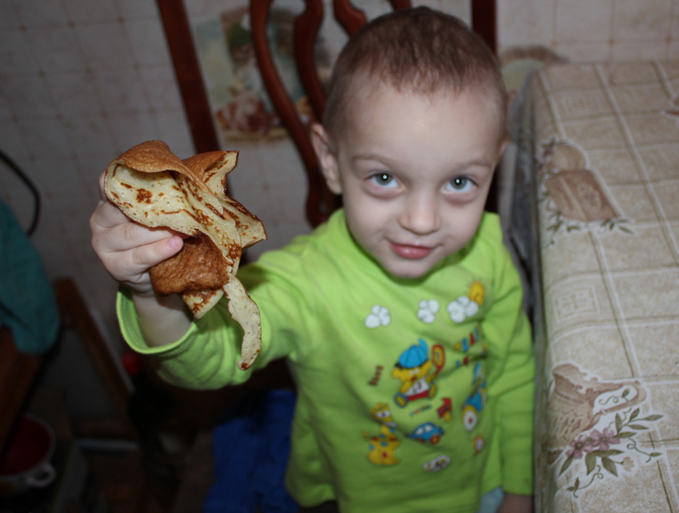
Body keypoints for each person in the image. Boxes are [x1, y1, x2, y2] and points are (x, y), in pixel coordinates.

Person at [90, 7, 534, 513]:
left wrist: (520, 490)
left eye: (459, 181)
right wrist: (152, 294)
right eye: (384, 177)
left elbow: (515, 375)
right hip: (363, 500)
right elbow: (206, 365)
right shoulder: (302, 283)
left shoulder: (488, 254)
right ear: (330, 161)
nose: (422, 220)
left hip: (484, 482)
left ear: (493, 165)